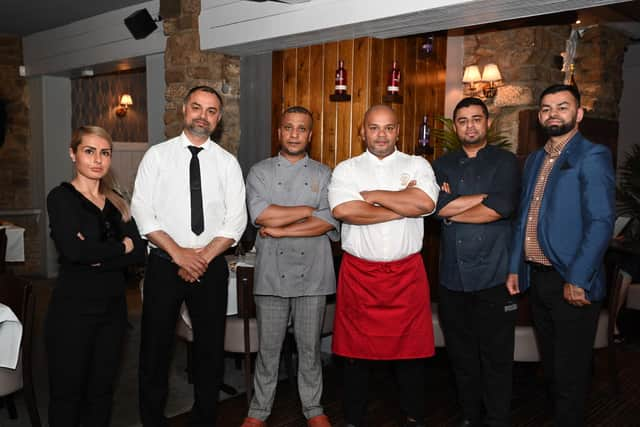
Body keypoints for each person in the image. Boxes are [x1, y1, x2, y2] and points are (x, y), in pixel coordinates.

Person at [131, 85, 247, 426]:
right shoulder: (157, 156)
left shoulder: (227, 163)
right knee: (155, 349)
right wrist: (179, 254)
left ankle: (204, 416)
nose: (203, 116)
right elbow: (142, 211)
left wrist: (201, 258)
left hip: (210, 266)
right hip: (165, 264)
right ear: (184, 111)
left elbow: (236, 220)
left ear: (219, 118)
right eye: (197, 107)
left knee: (210, 350)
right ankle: (152, 419)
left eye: (211, 111)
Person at [507, 84, 615, 427]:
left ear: (579, 114)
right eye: (547, 108)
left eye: (562, 107)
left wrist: (577, 279)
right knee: (552, 367)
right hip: (538, 277)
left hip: (571, 280)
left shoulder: (592, 155)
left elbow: (601, 222)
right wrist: (514, 267)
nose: (554, 113)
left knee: (570, 373)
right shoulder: (536, 158)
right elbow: (523, 216)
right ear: (540, 117)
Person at [328, 104, 440, 427]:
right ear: (362, 131)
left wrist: (374, 195)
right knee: (354, 356)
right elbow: (346, 211)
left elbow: (426, 203)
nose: (381, 134)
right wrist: (402, 205)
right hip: (359, 275)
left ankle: (414, 415)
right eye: (374, 128)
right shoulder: (346, 169)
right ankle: (353, 418)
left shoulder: (417, 164)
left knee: (411, 356)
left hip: (406, 273)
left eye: (388, 128)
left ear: (397, 131)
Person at [240, 106, 339, 427]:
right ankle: (258, 411)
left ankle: (314, 408)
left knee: (309, 350)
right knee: (268, 350)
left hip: (313, 275)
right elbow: (261, 215)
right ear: (279, 132)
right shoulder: (260, 172)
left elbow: (326, 223)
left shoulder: (325, 174)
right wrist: (309, 209)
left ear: (310, 135)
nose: (294, 134)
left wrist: (282, 227)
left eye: (301, 129)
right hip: (271, 276)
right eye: (288, 128)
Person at [46, 125, 146, 426]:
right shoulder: (61, 198)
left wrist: (98, 253)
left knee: (101, 394)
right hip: (72, 314)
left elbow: (139, 253)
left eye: (105, 153)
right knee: (67, 396)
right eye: (89, 151)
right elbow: (75, 253)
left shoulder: (117, 202)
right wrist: (120, 248)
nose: (98, 160)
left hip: (113, 313)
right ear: (73, 153)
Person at [433, 97, 520, 427]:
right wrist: (478, 200)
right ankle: (469, 417)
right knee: (462, 357)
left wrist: (454, 208)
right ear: (455, 126)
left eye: (476, 119)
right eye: (462, 120)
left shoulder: (506, 162)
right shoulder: (440, 165)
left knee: (496, 358)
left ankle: (497, 420)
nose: (470, 125)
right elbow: (434, 208)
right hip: (452, 277)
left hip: (495, 275)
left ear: (488, 123)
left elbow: (500, 209)